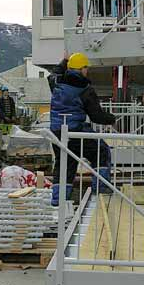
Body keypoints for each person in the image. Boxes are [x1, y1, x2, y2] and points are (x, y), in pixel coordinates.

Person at [48, 52, 116, 206]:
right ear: (82, 69)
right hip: (75, 131)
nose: (87, 71)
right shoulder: (84, 88)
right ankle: (101, 188)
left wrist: (64, 60)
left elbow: (55, 72)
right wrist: (112, 119)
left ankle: (59, 200)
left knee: (64, 163)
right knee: (101, 151)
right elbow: (96, 116)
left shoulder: (56, 81)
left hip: (57, 131)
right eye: (86, 68)